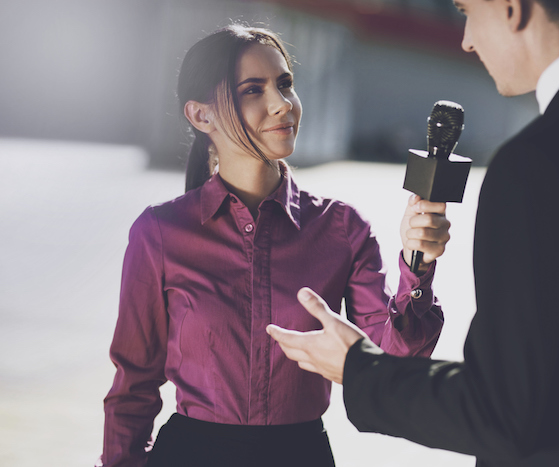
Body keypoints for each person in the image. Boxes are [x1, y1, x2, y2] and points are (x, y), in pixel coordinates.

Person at [267, 0, 559, 465]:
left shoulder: (538, 165)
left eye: (467, 11)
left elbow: (504, 414)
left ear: (512, 9)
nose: (466, 39)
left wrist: (359, 369)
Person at [99, 24, 451, 467]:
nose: (282, 104)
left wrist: (417, 266)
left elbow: (394, 361)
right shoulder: (160, 233)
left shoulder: (340, 228)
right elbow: (132, 387)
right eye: (252, 90)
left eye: (285, 84)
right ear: (201, 116)